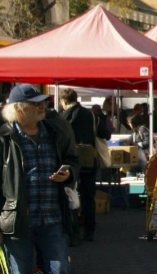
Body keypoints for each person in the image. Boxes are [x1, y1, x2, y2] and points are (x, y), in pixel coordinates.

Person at [0, 85, 78, 274]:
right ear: (19, 108)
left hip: (52, 216)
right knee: (20, 271)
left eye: (43, 102)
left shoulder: (54, 132)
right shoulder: (0, 139)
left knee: (60, 270)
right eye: (35, 103)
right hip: (18, 222)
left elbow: (72, 160)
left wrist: (69, 174)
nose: (43, 106)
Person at [58, 88, 101, 243]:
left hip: (70, 160)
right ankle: (90, 231)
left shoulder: (61, 117)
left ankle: (73, 231)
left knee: (70, 195)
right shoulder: (90, 114)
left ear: (63, 101)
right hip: (89, 158)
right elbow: (102, 132)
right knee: (89, 196)